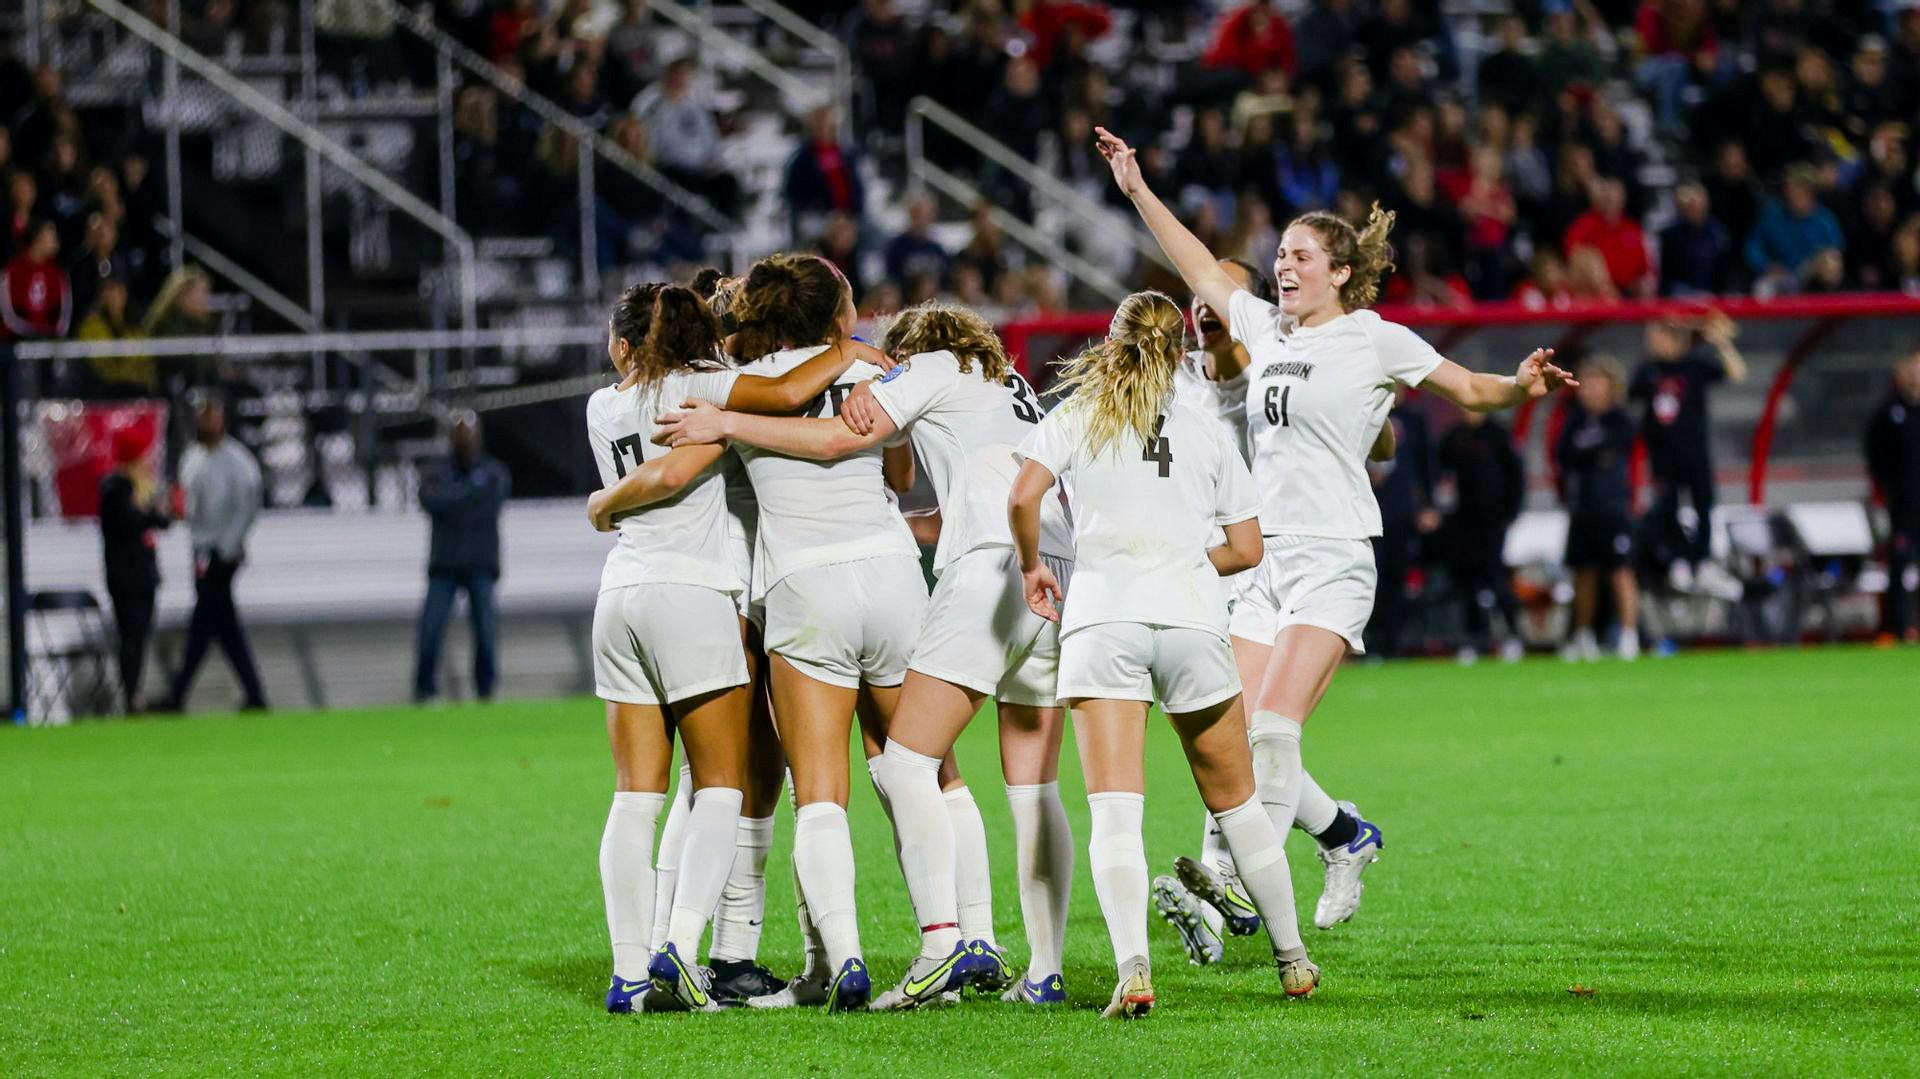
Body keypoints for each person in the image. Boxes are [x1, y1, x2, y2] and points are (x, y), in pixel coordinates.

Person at [1095, 125, 1572, 946]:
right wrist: (1136, 186)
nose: (1283, 266)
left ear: (1342, 273)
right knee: (1228, 728)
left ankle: (1232, 889)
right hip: (1261, 561)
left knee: (1275, 730)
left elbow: (1472, 391)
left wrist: (1521, 386)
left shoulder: (1374, 337)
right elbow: (1201, 267)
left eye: (1301, 256)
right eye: (1280, 254)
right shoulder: (1266, 329)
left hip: (1333, 557)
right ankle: (1343, 837)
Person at [656, 301, 1075, 1009]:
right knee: (1020, 782)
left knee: (896, 766)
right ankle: (1027, 959)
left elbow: (834, 440)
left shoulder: (930, 367)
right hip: (1055, 571)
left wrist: (725, 421)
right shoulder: (1010, 385)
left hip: (973, 572)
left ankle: (930, 945)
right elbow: (942, 492)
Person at [592, 255, 918, 1013]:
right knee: (734, 785)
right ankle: (706, 945)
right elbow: (772, 398)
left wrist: (601, 502)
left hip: (656, 589)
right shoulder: (714, 382)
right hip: (726, 589)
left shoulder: (610, 402)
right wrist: (850, 349)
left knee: (660, 793)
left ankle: (639, 965)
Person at [1005, 289, 1317, 1017]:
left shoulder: (1081, 412)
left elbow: (1023, 495)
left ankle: (1134, 969)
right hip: (1191, 617)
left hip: (1103, 617)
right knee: (1238, 805)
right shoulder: (1207, 425)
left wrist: (1032, 565)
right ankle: (1294, 958)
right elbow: (1247, 548)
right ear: (1182, 349)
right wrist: (1182, 558)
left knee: (1116, 810)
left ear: (1111, 343)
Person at [1154, 256, 1394, 966]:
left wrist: (1369, 418)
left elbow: (1374, 434)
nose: (1203, 301)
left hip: (1263, 564)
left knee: (1237, 734)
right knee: (1227, 736)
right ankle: (1343, 833)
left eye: (1217, 290)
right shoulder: (1176, 380)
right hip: (1201, 567)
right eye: (1196, 292)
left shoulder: (1271, 365)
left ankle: (1216, 891)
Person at [156, 393, 267, 713]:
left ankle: (178, 693)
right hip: (201, 549)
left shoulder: (237, 460)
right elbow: (188, 505)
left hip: (223, 552)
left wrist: (230, 546)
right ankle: (254, 693)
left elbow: (247, 507)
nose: (206, 422)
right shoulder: (191, 457)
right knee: (219, 624)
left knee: (204, 621)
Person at [1630, 311, 1746, 592]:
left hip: (1694, 453)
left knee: (1703, 508)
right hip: (1662, 458)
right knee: (1667, 511)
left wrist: (1720, 343)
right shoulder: (1648, 370)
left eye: (1657, 337)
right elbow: (1630, 396)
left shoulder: (1694, 365)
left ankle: (1701, 562)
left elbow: (1737, 373)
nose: (1652, 343)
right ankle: (1680, 560)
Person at [412, 412, 511, 705]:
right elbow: (432, 501)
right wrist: (468, 497)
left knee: (485, 631)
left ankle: (485, 690)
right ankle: (424, 690)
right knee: (430, 628)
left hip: (481, 564)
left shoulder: (493, 473)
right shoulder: (437, 473)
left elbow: (483, 503)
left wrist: (454, 501)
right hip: (444, 565)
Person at [1557, 354, 1641, 661]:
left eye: (1596, 381)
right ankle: (1583, 635)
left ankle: (1630, 636)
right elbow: (1566, 456)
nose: (1589, 388)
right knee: (1584, 573)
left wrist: (1589, 453)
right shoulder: (1575, 420)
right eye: (1586, 382)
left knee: (1621, 571)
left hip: (1614, 508)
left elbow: (1608, 452)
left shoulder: (1620, 420)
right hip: (1583, 509)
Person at [1437, 408, 1526, 663]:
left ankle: (1512, 634)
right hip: (1462, 523)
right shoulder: (1453, 437)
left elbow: (1515, 475)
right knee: (1467, 583)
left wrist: (1510, 513)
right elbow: (1441, 475)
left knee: (1496, 578)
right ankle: (1475, 639)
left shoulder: (1497, 435)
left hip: (1492, 521)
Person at [97, 424, 172, 711]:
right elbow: (132, 523)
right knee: (131, 635)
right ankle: (130, 693)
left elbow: (159, 522)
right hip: (127, 577)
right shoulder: (116, 490)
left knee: (138, 635)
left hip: (142, 576)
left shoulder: (137, 489)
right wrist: (151, 512)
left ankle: (133, 691)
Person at [1865, 348, 1920, 645]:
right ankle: (1897, 629)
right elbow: (1875, 456)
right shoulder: (1889, 412)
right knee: (1899, 565)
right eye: (1913, 368)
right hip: (1904, 506)